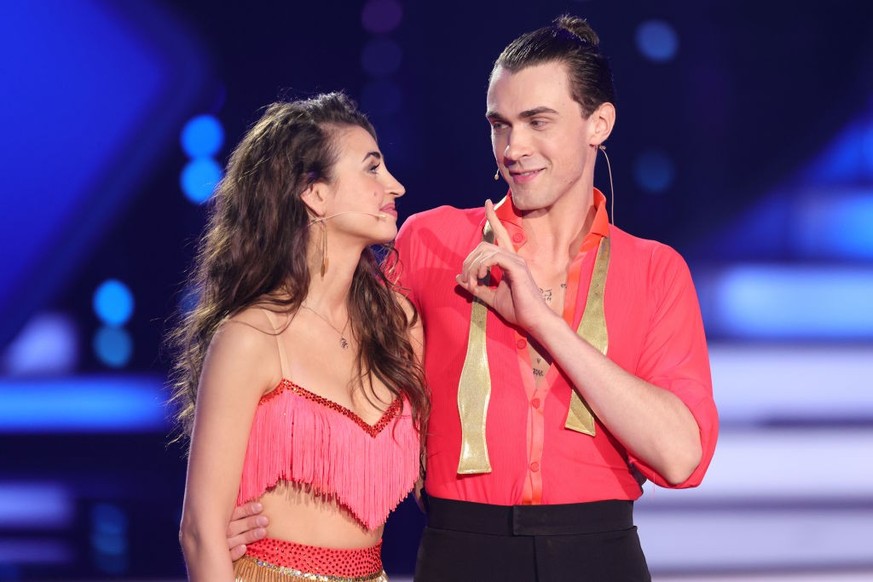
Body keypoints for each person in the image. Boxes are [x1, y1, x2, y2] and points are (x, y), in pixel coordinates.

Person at [228, 15, 718, 581]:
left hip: (599, 554)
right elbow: (333, 376)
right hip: (462, 551)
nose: (514, 147)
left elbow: (681, 458)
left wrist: (542, 320)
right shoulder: (433, 242)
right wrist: (262, 515)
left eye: (538, 122)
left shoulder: (655, 270)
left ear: (598, 123)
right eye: (499, 124)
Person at [169, 92, 429, 581]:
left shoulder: (400, 324)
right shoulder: (250, 338)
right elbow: (201, 531)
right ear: (314, 193)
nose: (394, 185)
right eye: (371, 169)